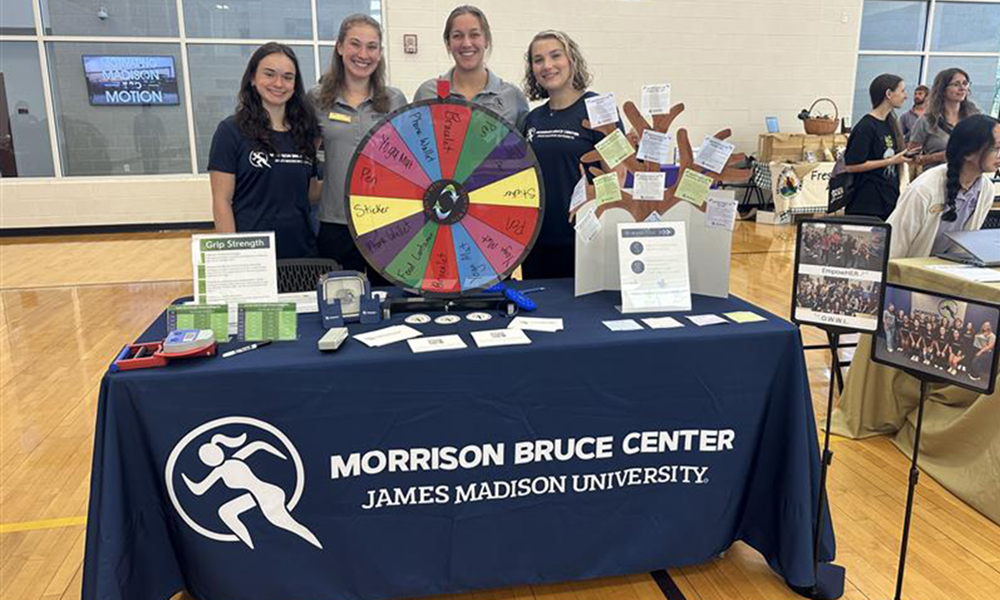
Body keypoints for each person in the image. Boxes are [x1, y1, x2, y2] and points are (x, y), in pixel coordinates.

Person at [310, 14, 407, 278]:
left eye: (372, 46)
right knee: (341, 303)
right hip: (336, 223)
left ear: (379, 53)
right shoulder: (316, 99)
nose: (363, 54)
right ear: (340, 47)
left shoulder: (395, 100)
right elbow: (305, 158)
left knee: (389, 301)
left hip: (387, 222)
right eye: (355, 44)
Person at [209, 42, 321, 259]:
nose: (279, 83)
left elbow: (309, 193)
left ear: (295, 84)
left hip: (302, 252)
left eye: (288, 77)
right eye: (269, 74)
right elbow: (221, 201)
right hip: (253, 256)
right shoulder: (231, 131)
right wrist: (232, 257)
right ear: (252, 78)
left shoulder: (305, 132)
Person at [518, 30, 607, 279]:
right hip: (536, 244)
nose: (547, 65)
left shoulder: (598, 108)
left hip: (583, 243)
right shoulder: (532, 118)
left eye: (555, 56)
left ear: (572, 60)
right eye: (538, 60)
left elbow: (618, 173)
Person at [887, 114, 999, 258]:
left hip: (943, 272)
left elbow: (963, 247)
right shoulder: (924, 189)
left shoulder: (985, 190)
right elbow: (893, 245)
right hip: (905, 272)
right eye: (996, 148)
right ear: (969, 152)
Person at [413, 5, 529, 130]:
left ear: (486, 41)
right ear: (448, 43)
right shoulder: (427, 93)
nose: (466, 43)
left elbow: (522, 147)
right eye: (458, 36)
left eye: (474, 35)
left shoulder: (511, 96)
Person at [843, 74, 912, 221]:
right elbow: (851, 166)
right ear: (888, 94)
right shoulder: (866, 126)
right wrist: (890, 161)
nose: (905, 96)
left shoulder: (890, 123)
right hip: (867, 203)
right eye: (902, 91)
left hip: (888, 199)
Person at [908, 68, 979, 169]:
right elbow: (911, 158)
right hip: (936, 179)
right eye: (956, 84)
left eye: (965, 83)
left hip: (968, 178)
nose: (962, 88)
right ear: (943, 90)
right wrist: (936, 157)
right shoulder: (926, 121)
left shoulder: (974, 119)